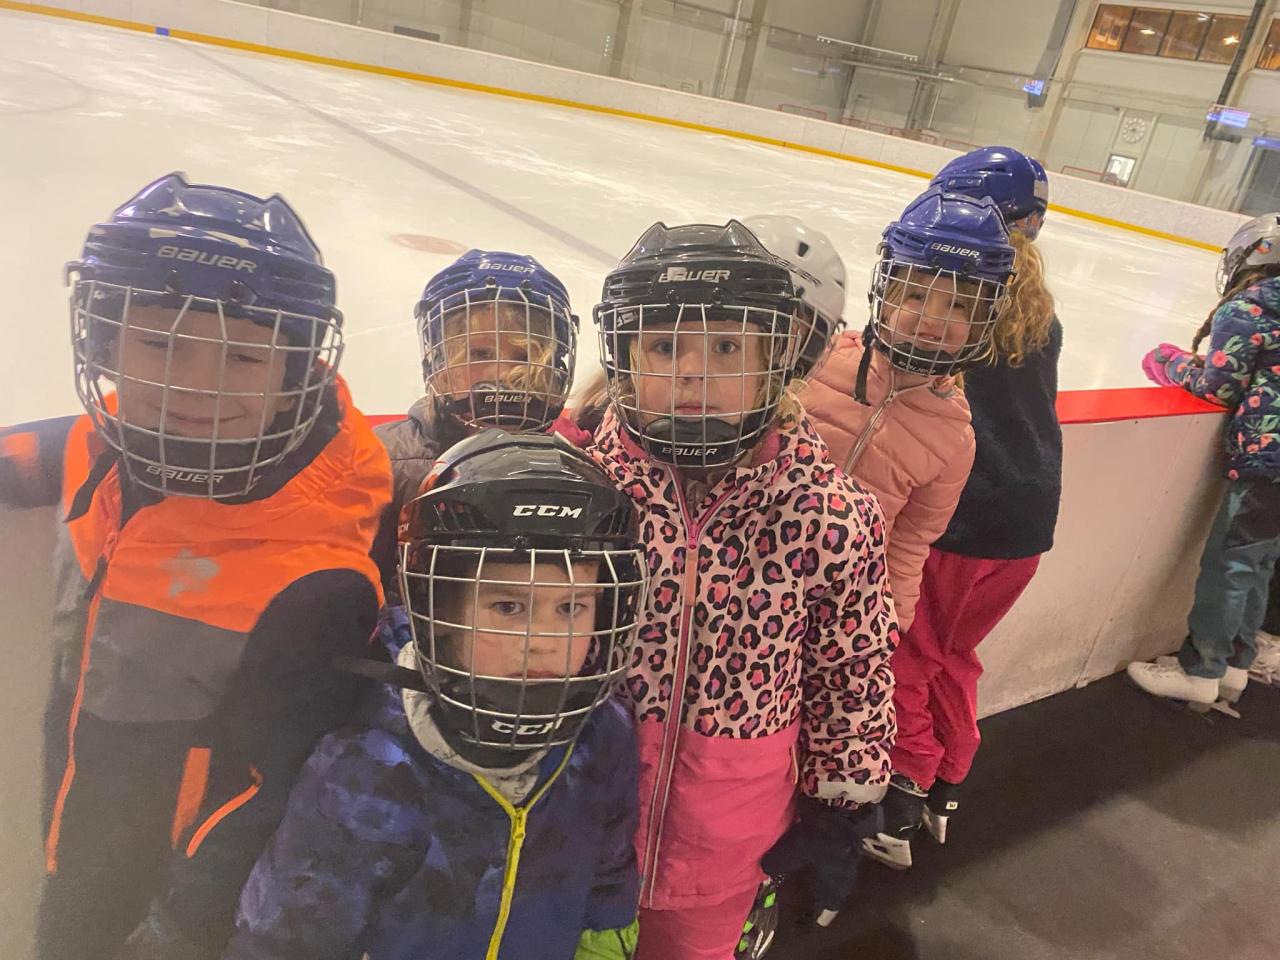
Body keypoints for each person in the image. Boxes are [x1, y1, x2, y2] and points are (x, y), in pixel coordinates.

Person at [0, 173, 390, 960]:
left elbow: (272, 789)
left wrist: (179, 930)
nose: (193, 385)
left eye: (242, 356)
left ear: (296, 373)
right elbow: (50, 447)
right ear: (104, 342)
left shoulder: (315, 574)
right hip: (78, 844)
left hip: (166, 907)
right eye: (158, 343)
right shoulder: (106, 444)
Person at [588, 220, 897, 959]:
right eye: (665, 348)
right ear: (626, 360)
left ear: (773, 358)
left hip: (726, 844)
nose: (693, 374)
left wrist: (843, 799)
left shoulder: (826, 513)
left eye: (726, 347)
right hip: (584, 830)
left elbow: (851, 668)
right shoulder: (587, 496)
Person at [226, 431, 647, 960]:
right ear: (439, 611)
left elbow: (608, 878)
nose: (544, 640)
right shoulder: (369, 765)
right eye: (508, 607)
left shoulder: (603, 735)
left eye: (571, 608)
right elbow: (286, 939)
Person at [866, 148, 1062, 869]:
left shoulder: (965, 303)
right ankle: (948, 778)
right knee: (954, 656)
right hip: (1028, 525)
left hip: (967, 523)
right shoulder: (1040, 313)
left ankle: (901, 798)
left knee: (910, 655)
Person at [1129, 211, 1280, 710]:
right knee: (1259, 563)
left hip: (1267, 463)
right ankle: (1235, 663)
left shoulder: (1251, 306)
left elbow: (1219, 388)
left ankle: (1202, 670)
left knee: (1230, 564)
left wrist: (1169, 362)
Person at [373, 251, 578, 597]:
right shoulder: (385, 461)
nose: (502, 373)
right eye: (480, 354)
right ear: (440, 361)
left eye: (524, 357)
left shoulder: (571, 466)